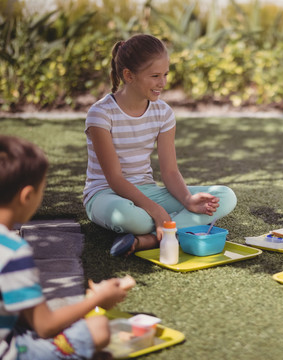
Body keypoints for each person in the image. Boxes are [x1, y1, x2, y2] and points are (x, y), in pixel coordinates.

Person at [83, 34, 237, 256]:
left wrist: (188, 200)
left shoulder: (163, 113)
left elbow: (170, 170)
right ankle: (171, 228)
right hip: (105, 195)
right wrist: (156, 211)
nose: (162, 83)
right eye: (155, 76)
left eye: (165, 74)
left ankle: (148, 239)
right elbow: (114, 179)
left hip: (148, 190)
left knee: (225, 196)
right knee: (130, 217)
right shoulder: (101, 114)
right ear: (129, 75)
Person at [0, 135, 128, 359]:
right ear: (27, 196)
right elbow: (45, 326)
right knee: (98, 328)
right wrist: (97, 300)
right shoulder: (12, 251)